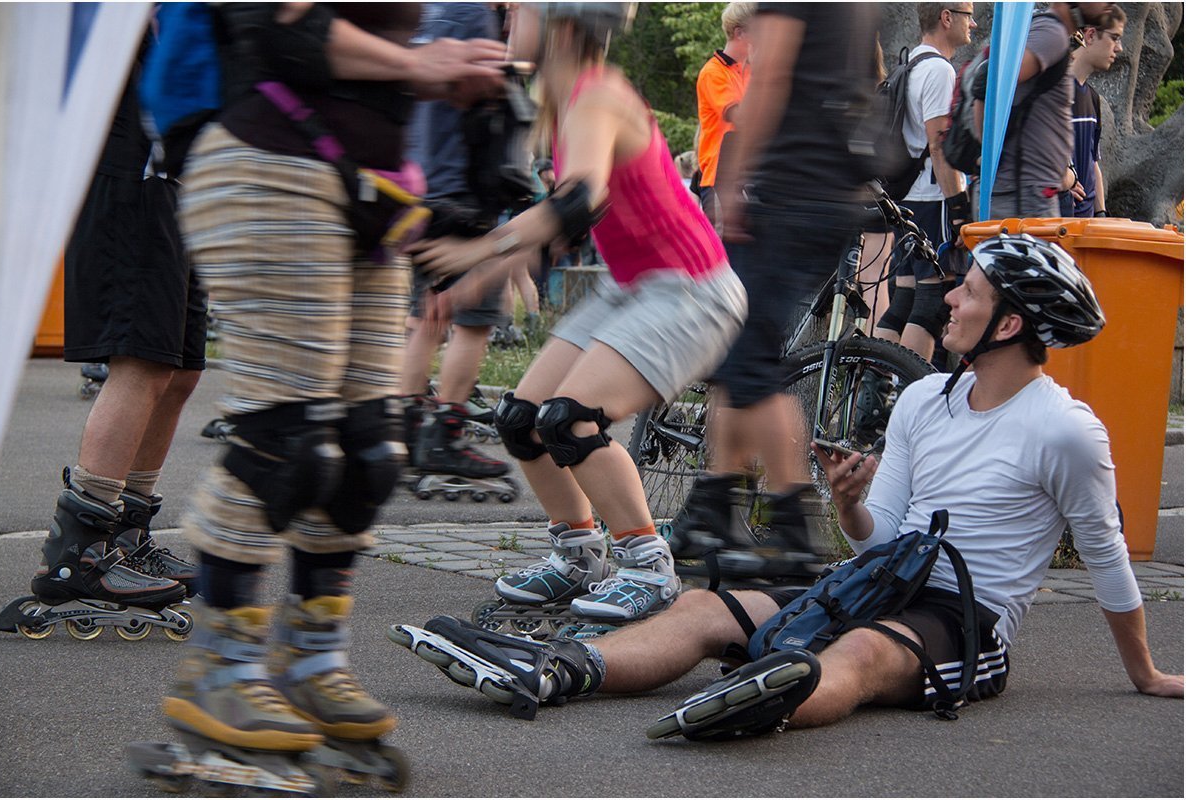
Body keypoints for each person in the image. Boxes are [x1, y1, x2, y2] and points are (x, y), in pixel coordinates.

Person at [389, 234, 1183, 738]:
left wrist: (1145, 674)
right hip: (881, 579)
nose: (948, 298)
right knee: (705, 606)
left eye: (968, 291)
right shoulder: (923, 401)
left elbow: (1107, 554)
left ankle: (770, 700)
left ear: (1008, 324)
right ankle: (553, 669)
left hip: (964, 621)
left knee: (862, 651)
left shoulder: (1065, 430)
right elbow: (879, 540)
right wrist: (851, 505)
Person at [165, 1, 505, 765]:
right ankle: (220, 666)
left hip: (371, 190)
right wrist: (420, 65)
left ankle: (310, 657)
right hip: (266, 166)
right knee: (284, 442)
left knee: (368, 450)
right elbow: (269, 23)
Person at [409, 2, 747, 623]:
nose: (506, 16)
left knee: (570, 419)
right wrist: (463, 287)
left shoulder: (597, 95)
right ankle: (579, 556)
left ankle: (648, 566)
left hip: (692, 290)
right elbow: (556, 225)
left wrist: (475, 251)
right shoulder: (561, 103)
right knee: (521, 419)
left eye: (520, 9)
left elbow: (577, 200)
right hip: (633, 288)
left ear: (562, 25)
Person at [670, 3, 881, 582]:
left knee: (749, 360)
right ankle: (713, 501)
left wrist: (735, 182)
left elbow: (771, 77)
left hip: (789, 192)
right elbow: (870, 74)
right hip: (831, 194)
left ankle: (793, 525)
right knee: (734, 353)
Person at [25, 29, 205, 629]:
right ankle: (78, 552)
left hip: (183, 180)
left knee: (180, 369)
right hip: (135, 169)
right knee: (142, 360)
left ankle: (126, 533)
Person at [398, 2, 512, 496]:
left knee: (426, 318)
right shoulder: (472, 13)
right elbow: (488, 87)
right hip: (462, 189)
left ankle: (404, 428)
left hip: (417, 184)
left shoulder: (426, 12)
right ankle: (445, 433)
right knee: (473, 321)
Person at [873, 3, 975, 365]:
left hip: (905, 198)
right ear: (947, 17)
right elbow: (938, 144)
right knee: (933, 302)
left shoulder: (910, 64)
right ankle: (909, 386)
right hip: (933, 199)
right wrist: (959, 208)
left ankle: (874, 386)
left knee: (904, 298)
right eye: (968, 15)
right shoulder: (939, 71)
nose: (973, 24)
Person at [980, 3, 1116, 218]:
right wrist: (984, 150)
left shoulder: (1051, 33)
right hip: (1023, 200)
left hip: (1031, 195)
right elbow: (989, 83)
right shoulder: (1051, 34)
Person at [1059, 6, 1125, 218]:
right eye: (1114, 38)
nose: (1119, 48)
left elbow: (1092, 161)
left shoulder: (1093, 97)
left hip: (1088, 223)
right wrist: (1060, 184)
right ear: (1090, 35)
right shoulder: (1053, 91)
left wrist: (1101, 212)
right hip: (1057, 221)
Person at [695, 2, 754, 234]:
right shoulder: (713, 72)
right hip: (719, 179)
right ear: (740, 33)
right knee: (722, 250)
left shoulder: (750, 72)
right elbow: (740, 117)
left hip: (747, 177)